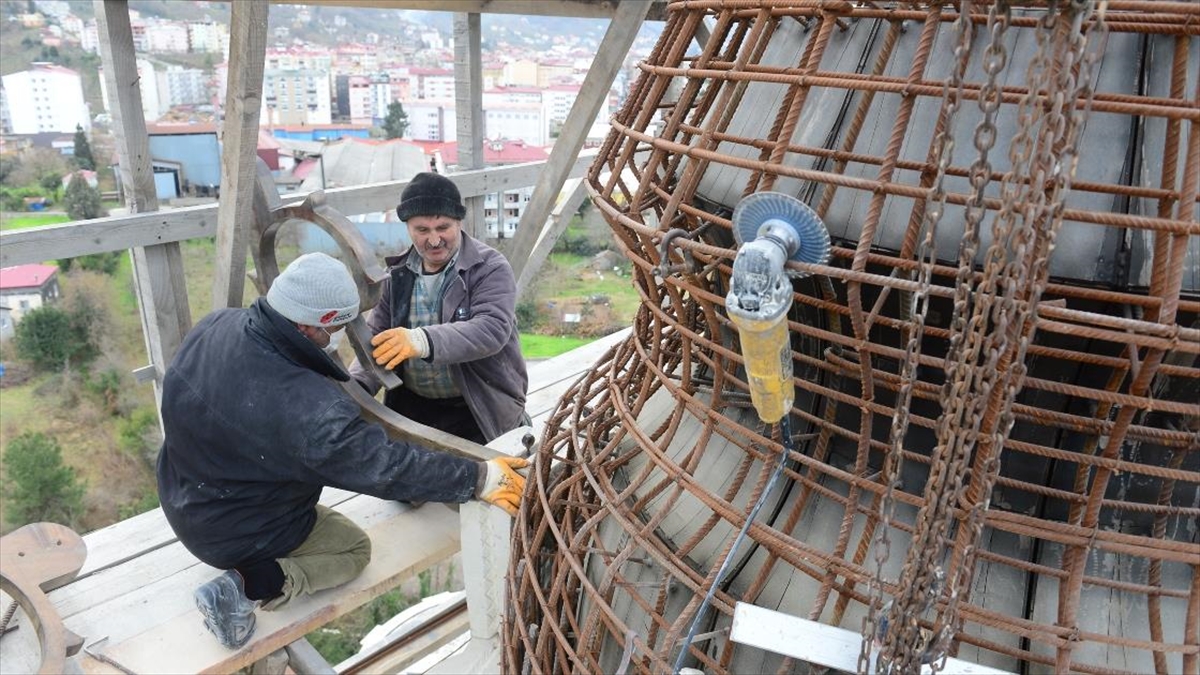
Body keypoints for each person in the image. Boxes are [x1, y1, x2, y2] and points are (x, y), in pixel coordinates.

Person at [156, 252, 528, 650]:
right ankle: (243, 587)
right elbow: (387, 467)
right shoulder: (308, 413)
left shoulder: (216, 324)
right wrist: (477, 477)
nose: (340, 337)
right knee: (353, 548)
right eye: (337, 327)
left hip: (182, 491)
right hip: (232, 533)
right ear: (306, 325)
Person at [349, 172, 528, 444]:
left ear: (458, 222)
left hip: (479, 407)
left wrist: (422, 340)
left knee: (494, 482)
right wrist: (356, 389)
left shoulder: (489, 268)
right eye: (422, 230)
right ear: (408, 228)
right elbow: (377, 338)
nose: (434, 240)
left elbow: (492, 329)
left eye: (443, 227)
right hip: (415, 408)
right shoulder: (397, 274)